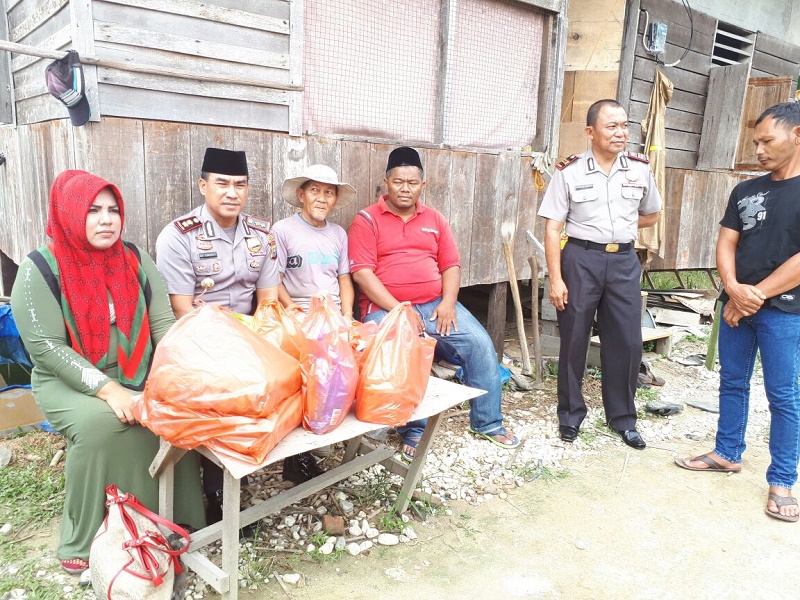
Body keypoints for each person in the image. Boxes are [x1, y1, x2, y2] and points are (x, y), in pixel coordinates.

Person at [10, 170, 206, 575]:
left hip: (140, 371)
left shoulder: (134, 258)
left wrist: (165, 377)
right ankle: (88, 535)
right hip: (69, 380)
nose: (106, 220)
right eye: (93, 210)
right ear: (68, 214)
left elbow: (162, 324)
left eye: (113, 210)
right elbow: (46, 349)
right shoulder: (39, 269)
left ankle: (172, 518)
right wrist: (108, 388)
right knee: (104, 425)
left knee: (172, 413)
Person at [348, 146, 519, 460]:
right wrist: (401, 309)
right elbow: (362, 274)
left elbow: (450, 265)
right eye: (398, 181)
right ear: (386, 182)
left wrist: (449, 302)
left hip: (434, 303)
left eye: (412, 183)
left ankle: (487, 422)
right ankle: (412, 429)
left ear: (422, 186)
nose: (405, 188)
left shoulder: (435, 219)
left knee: (479, 343)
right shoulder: (367, 220)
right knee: (405, 351)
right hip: (385, 306)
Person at [675, 101, 800, 523]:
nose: (759, 149)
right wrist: (731, 289)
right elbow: (727, 242)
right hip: (737, 304)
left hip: (785, 311)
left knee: (783, 395)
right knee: (732, 381)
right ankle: (727, 453)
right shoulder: (746, 190)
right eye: (756, 142)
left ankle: (782, 480)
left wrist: (755, 295)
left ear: (797, 134)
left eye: (767, 140)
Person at [156, 147, 280, 522]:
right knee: (224, 396)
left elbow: (269, 300)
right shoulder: (178, 237)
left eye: (240, 185)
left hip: (251, 334)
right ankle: (217, 492)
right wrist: (237, 348)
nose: (232, 192)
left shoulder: (262, 233)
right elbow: (182, 310)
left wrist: (265, 345)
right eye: (222, 183)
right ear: (203, 186)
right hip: (200, 338)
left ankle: (294, 458)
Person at [538, 99, 661, 449]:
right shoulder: (570, 171)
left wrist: (619, 223)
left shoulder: (639, 169)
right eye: (612, 126)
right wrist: (557, 278)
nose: (621, 132)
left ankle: (623, 419)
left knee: (626, 340)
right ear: (591, 131)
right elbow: (552, 228)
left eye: (624, 126)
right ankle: (570, 415)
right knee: (574, 338)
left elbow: (651, 214)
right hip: (580, 259)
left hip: (623, 262)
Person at [273, 164, 356, 316]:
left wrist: (347, 315)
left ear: (335, 199)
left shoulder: (339, 234)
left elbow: (344, 281)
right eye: (315, 190)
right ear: (301, 195)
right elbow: (274, 281)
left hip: (333, 314)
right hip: (298, 315)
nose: (322, 199)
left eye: (329, 193)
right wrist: (293, 310)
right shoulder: (282, 230)